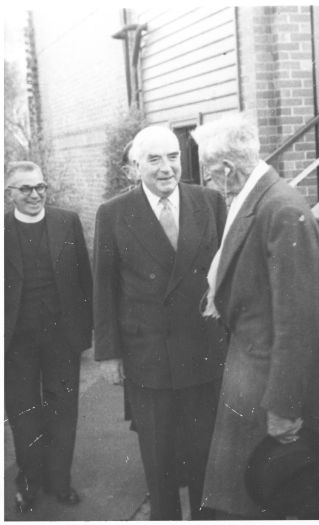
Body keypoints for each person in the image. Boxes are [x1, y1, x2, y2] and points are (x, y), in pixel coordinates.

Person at [191, 114, 319, 520]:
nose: (211, 184)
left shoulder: (280, 209)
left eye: (211, 176)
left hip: (283, 389)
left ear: (228, 168)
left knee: (301, 498)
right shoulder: (258, 200)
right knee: (265, 499)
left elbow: (299, 320)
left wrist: (283, 408)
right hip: (258, 373)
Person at [93, 125, 227, 520]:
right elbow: (104, 287)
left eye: (173, 156)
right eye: (154, 159)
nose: (167, 167)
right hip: (147, 356)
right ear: (136, 166)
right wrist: (110, 355)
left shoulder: (210, 202)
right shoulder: (113, 213)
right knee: (159, 456)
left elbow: (227, 277)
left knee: (206, 452)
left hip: (203, 350)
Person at [4, 161, 93, 513]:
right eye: (25, 189)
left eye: (40, 187)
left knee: (63, 411)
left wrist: (87, 329)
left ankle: (60, 482)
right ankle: (28, 483)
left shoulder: (66, 221)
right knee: (24, 414)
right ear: (8, 193)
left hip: (62, 337)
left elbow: (84, 278)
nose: (35, 195)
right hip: (16, 343)